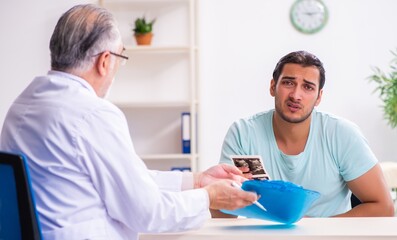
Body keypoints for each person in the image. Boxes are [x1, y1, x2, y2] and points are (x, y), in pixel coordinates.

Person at [0, 4, 258, 240]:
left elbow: (128, 180)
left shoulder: (22, 106)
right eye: (120, 58)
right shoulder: (93, 115)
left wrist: (197, 180)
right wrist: (208, 197)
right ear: (104, 61)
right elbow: (147, 212)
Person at [215, 50, 394, 218]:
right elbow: (221, 213)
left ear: (318, 97)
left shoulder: (342, 134)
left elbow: (383, 207)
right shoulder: (243, 133)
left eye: (308, 87)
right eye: (288, 82)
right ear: (272, 87)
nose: (296, 95)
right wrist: (223, 193)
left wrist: (314, 228)